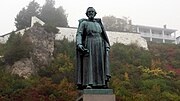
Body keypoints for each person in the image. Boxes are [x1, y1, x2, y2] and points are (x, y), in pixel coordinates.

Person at [76, 7, 111, 89]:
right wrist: (79, 44)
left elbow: (103, 36)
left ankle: (101, 83)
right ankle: (89, 83)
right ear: (87, 14)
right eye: (89, 12)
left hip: (100, 45)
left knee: (100, 64)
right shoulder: (84, 23)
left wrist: (106, 45)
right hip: (89, 42)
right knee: (89, 63)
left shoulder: (99, 24)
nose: (91, 13)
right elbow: (79, 34)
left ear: (95, 13)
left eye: (92, 11)